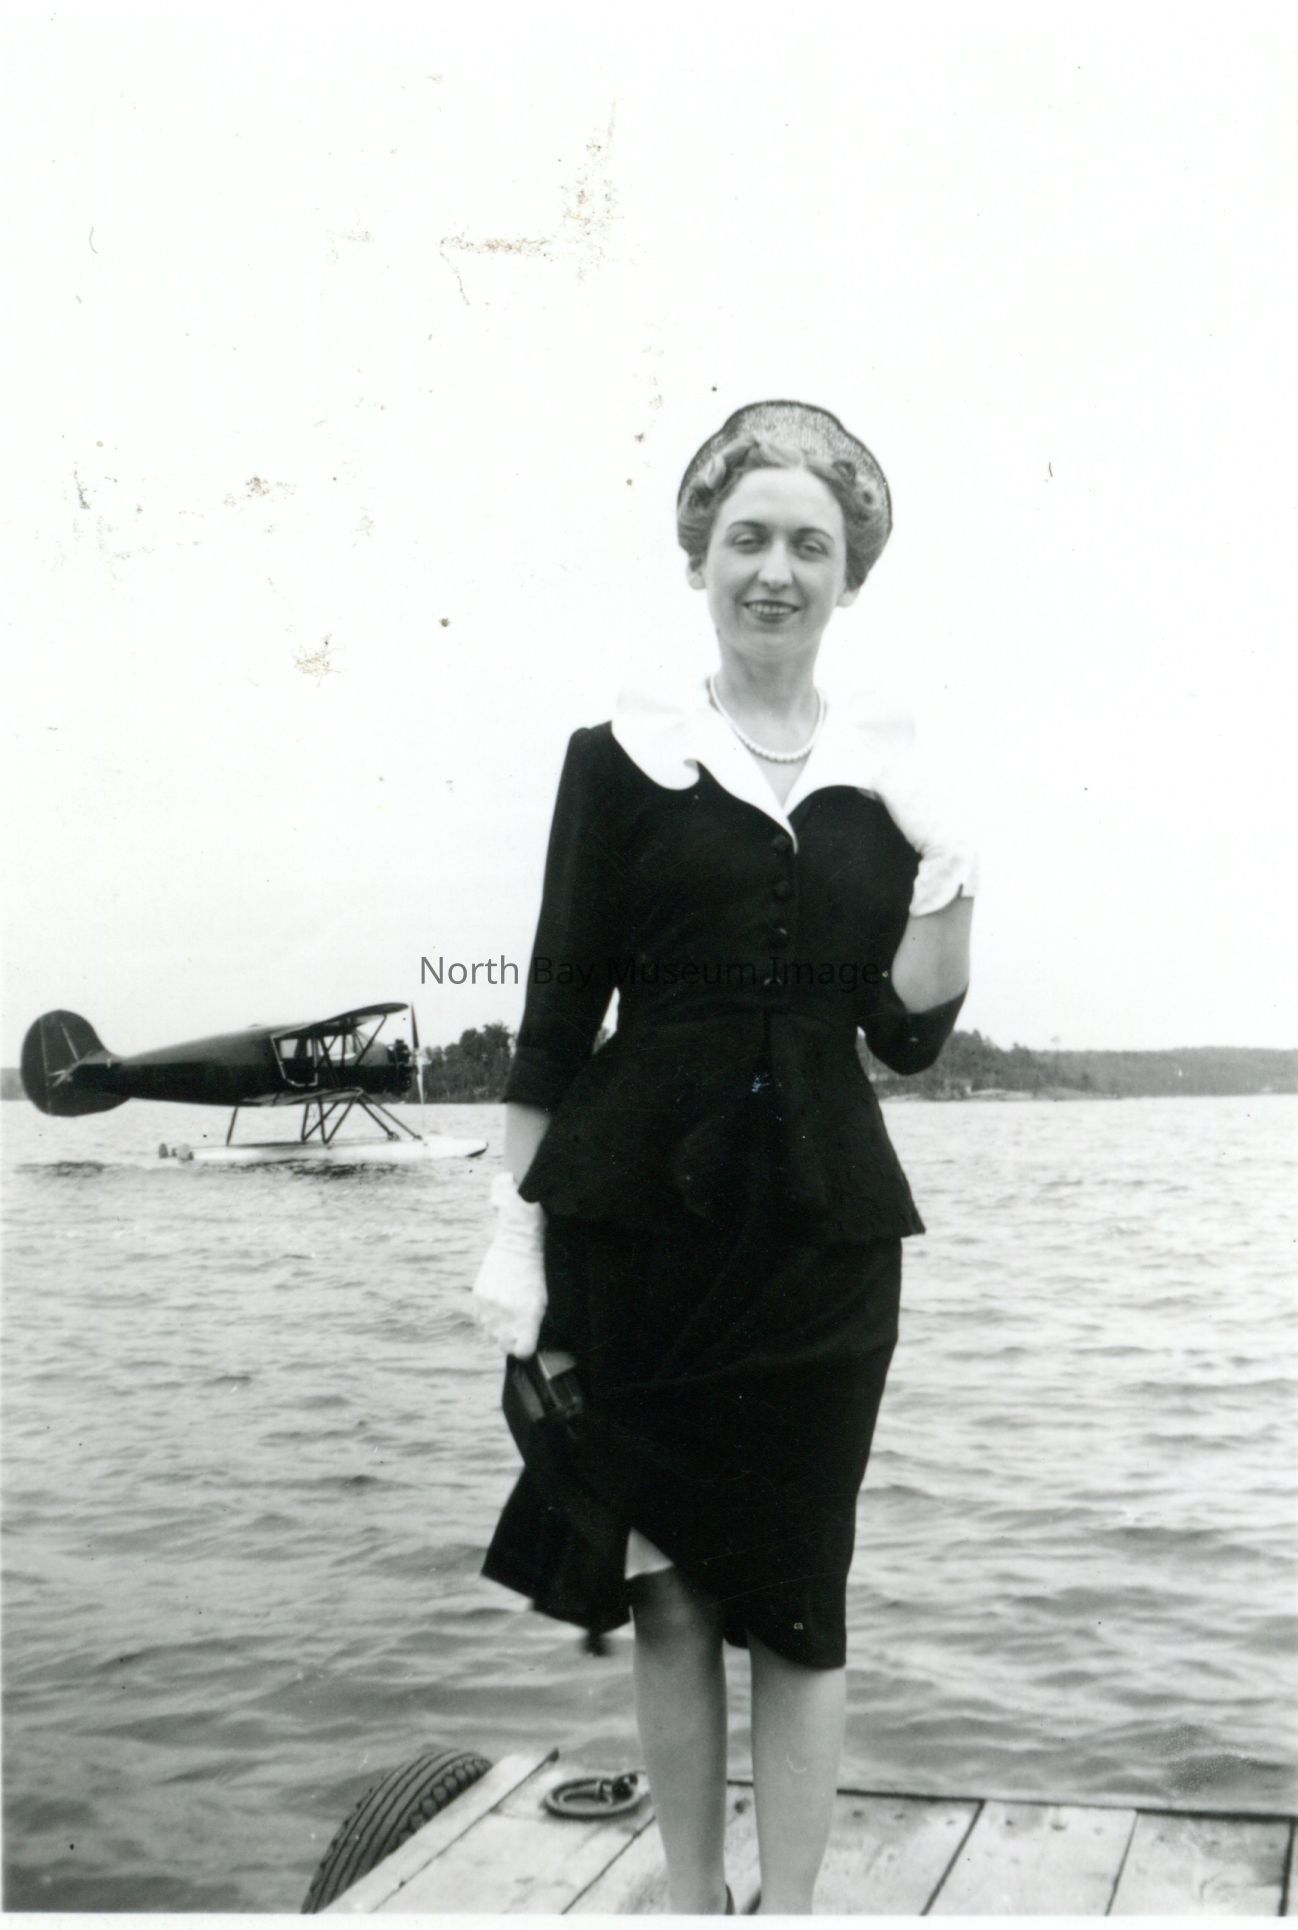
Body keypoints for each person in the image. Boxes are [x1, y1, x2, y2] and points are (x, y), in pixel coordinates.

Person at [473, 400, 976, 1914]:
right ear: (700, 556)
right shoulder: (621, 756)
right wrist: (511, 1233)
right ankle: (695, 1904)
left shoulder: (880, 780)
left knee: (803, 1598)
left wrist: (949, 871)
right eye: (747, 537)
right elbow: (556, 1014)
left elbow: (906, 1034)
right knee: (671, 1591)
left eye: (809, 545)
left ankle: (792, 1911)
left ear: (848, 575)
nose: (775, 570)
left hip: (822, 1238)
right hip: (639, 1227)